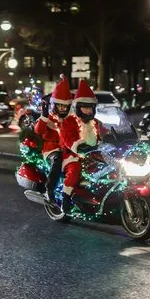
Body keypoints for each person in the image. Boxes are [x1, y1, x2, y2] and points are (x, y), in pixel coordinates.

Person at [60, 80, 106, 214]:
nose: (88, 110)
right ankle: (66, 199)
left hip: (94, 154)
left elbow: (105, 134)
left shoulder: (96, 123)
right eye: (85, 107)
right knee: (75, 170)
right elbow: (68, 139)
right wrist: (79, 147)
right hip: (73, 156)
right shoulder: (69, 121)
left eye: (91, 107)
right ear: (78, 107)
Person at [34, 75, 72, 205]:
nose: (63, 109)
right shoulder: (49, 118)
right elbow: (38, 131)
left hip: (69, 148)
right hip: (52, 149)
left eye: (65, 106)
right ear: (54, 105)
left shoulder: (70, 119)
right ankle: (49, 189)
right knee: (58, 158)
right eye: (60, 106)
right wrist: (44, 117)